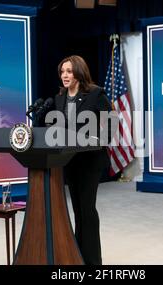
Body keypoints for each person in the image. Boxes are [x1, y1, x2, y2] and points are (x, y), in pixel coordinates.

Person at [54, 55, 113, 265]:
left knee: (87, 209)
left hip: (90, 160)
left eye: (69, 71)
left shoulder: (95, 94)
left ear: (78, 72)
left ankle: (93, 261)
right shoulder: (59, 98)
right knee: (77, 209)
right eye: (62, 72)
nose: (65, 75)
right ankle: (78, 255)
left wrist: (101, 139)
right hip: (69, 161)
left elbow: (111, 121)